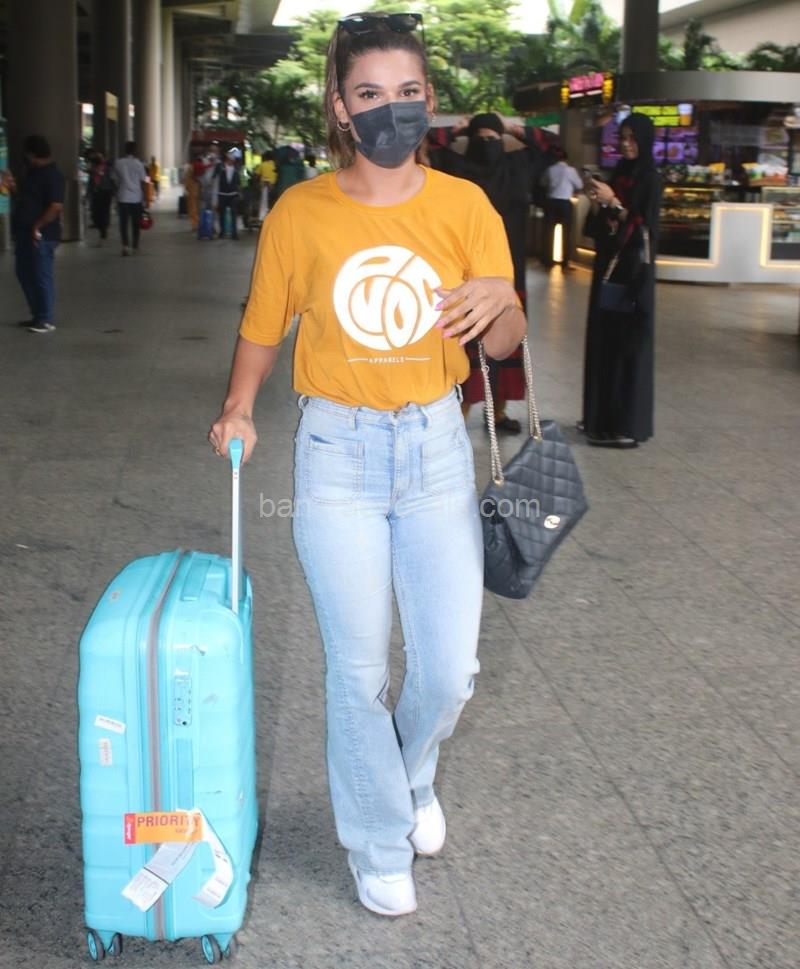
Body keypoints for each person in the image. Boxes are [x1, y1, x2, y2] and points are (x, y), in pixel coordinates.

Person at [208, 10, 525, 918]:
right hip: (337, 453)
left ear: (430, 99)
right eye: (371, 93)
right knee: (357, 672)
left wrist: (500, 299)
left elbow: (504, 342)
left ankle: (408, 772)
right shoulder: (301, 211)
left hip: (434, 449)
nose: (393, 108)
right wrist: (238, 404)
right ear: (341, 108)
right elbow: (263, 324)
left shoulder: (465, 207)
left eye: (409, 91)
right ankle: (378, 839)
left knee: (450, 670)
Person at [429, 112, 545, 433]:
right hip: (465, 275)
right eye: (480, 138)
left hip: (509, 275)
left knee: (505, 344)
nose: (487, 144)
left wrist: (506, 128)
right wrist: (462, 129)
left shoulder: (517, 167)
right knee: (467, 345)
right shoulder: (456, 168)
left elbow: (554, 148)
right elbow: (428, 144)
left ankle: (499, 412)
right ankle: (459, 414)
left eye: (493, 138)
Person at [581, 113, 662, 448]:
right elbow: (600, 228)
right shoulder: (621, 173)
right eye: (623, 138)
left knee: (628, 346)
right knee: (605, 342)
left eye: (633, 138)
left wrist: (614, 202)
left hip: (633, 274)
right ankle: (600, 418)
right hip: (609, 269)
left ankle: (627, 425)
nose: (627, 144)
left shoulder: (650, 179)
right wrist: (598, 204)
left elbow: (645, 229)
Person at [5, 134, 64, 333]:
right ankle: (37, 314)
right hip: (24, 232)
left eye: (26, 154)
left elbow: (55, 206)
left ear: (32, 154)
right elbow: (25, 199)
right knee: (23, 272)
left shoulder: (52, 175)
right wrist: (13, 188)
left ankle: (46, 319)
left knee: (41, 275)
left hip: (42, 235)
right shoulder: (32, 173)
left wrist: (37, 227)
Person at [540, 148, 583, 271]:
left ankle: (547, 261)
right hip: (565, 203)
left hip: (551, 203)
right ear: (566, 158)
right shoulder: (570, 170)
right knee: (566, 233)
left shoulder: (550, 169)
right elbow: (579, 185)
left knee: (548, 233)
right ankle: (565, 263)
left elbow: (542, 183)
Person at [113, 141, 147, 256]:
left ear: (125, 150)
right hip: (136, 197)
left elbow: (115, 179)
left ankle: (125, 246)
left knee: (123, 223)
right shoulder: (139, 164)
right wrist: (145, 197)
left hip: (123, 197)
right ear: (135, 151)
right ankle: (135, 246)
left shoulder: (118, 163)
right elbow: (144, 181)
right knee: (135, 223)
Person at [87, 150, 114, 245]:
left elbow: (112, 179)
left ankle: (103, 234)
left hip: (106, 192)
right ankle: (102, 229)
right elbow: (90, 183)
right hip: (96, 193)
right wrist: (88, 194)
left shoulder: (107, 168)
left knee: (104, 213)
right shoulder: (92, 170)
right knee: (95, 214)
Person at [216, 148, 241, 239]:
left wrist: (238, 192)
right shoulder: (220, 167)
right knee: (222, 214)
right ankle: (222, 232)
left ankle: (234, 233)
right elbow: (215, 177)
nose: (233, 161)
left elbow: (238, 181)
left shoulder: (236, 169)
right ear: (227, 159)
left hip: (233, 194)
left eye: (234, 159)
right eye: (231, 159)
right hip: (222, 194)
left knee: (234, 214)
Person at [255, 151, 277, 221]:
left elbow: (256, 175)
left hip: (264, 185)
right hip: (273, 185)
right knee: (272, 201)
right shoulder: (275, 165)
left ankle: (262, 217)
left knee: (263, 202)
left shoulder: (262, 165)